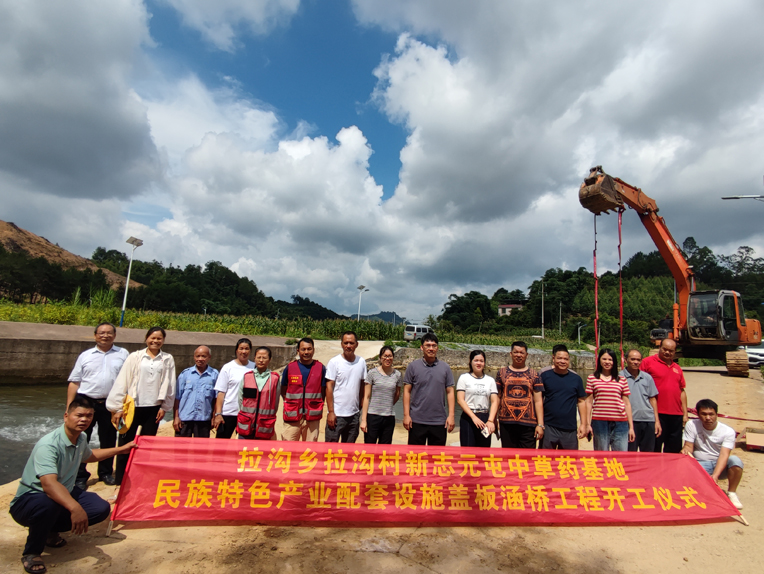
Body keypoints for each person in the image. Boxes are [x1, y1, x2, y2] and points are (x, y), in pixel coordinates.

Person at [10, 395, 135, 574]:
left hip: (64, 492)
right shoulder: (49, 445)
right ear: (66, 416)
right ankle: (32, 552)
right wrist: (75, 508)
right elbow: (48, 485)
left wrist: (121, 450)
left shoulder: (81, 437)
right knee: (48, 504)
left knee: (100, 508)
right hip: (32, 499)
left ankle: (49, 530)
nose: (84, 420)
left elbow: (89, 456)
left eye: (89, 416)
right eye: (79, 415)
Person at [106, 326, 175, 485]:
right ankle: (121, 480)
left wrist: (165, 407)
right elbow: (122, 381)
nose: (155, 341)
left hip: (154, 408)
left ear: (163, 340)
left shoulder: (167, 359)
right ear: (146, 338)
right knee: (125, 442)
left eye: (159, 338)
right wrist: (117, 408)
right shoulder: (135, 357)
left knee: (147, 445)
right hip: (132, 406)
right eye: (153, 338)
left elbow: (170, 383)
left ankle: (140, 478)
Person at [66, 321, 128, 489]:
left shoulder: (123, 354)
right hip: (86, 401)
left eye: (109, 333)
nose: (105, 336)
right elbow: (74, 382)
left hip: (111, 403)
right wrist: (69, 408)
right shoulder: (85, 355)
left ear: (114, 335)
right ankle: (80, 475)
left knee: (108, 438)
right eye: (101, 333)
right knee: (81, 438)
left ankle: (105, 472)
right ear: (95, 335)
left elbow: (129, 380)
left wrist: (123, 406)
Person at [682, 399, 744, 509]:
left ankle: (732, 493)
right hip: (699, 464)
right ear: (698, 414)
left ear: (716, 414)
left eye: (711, 414)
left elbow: (724, 455)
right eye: (704, 414)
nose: (708, 418)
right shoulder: (691, 425)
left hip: (719, 463)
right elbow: (688, 446)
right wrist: (685, 451)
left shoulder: (728, 431)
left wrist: (715, 475)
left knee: (736, 461)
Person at [403, 333, 455, 446]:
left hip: (439, 421)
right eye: (428, 345)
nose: (431, 348)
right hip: (416, 420)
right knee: (415, 455)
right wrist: (406, 415)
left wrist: (451, 416)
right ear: (422, 347)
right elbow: (406, 391)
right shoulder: (413, 367)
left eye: (434, 345)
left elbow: (450, 392)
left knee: (437, 456)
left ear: (437, 348)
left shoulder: (445, 368)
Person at [640, 338, 688, 453]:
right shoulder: (647, 362)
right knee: (654, 449)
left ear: (675, 352)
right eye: (664, 349)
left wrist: (685, 414)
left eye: (671, 351)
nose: (667, 352)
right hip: (656, 414)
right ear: (659, 348)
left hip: (676, 415)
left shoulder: (677, 368)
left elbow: (682, 391)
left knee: (673, 451)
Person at [495, 341, 544, 449]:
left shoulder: (534, 375)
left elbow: (538, 401)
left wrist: (540, 424)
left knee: (527, 456)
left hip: (528, 424)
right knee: (508, 456)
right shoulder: (501, 373)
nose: (518, 355)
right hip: (506, 423)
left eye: (521, 352)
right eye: (516, 352)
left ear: (527, 355)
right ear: (511, 354)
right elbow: (497, 398)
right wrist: (494, 419)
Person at [539, 345, 589, 450]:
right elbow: (538, 401)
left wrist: (583, 424)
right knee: (545, 458)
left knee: (569, 459)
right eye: (559, 358)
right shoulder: (545, 376)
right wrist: (540, 424)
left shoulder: (576, 379)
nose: (562, 361)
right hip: (549, 426)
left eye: (566, 359)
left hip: (569, 428)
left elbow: (581, 401)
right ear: (553, 358)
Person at [586, 348, 635, 451]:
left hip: (620, 422)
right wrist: (587, 424)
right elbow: (589, 402)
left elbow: (627, 403)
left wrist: (631, 427)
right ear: (599, 360)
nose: (607, 362)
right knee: (601, 453)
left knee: (620, 454)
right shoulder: (592, 378)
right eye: (604, 359)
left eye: (610, 359)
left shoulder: (621, 379)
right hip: (599, 421)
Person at [325, 332, 368, 443]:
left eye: (351, 343)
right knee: (330, 448)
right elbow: (329, 387)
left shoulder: (361, 362)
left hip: (354, 415)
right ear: (341, 344)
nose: (348, 346)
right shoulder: (334, 362)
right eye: (346, 343)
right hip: (336, 414)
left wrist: (360, 404)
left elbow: (363, 385)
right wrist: (331, 412)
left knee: (348, 449)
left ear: (356, 344)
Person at [281, 337, 327, 441]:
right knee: (288, 446)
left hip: (312, 417)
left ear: (313, 350)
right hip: (292, 416)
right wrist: (291, 404)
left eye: (309, 349)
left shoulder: (320, 368)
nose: (306, 352)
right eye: (303, 349)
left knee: (310, 448)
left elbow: (323, 391)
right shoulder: (290, 368)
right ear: (298, 351)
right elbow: (283, 389)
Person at [620, 349, 662, 452]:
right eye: (633, 359)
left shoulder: (647, 378)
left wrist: (657, 421)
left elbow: (652, 399)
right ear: (626, 360)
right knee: (630, 453)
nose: (636, 362)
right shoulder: (619, 377)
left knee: (648, 454)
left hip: (648, 420)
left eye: (638, 360)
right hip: (629, 421)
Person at [212, 338, 254, 439]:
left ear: (250, 351)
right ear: (236, 350)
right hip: (228, 412)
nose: (244, 351)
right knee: (222, 444)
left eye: (247, 349)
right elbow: (221, 393)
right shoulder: (228, 367)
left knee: (245, 444)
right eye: (241, 348)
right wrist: (218, 414)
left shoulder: (254, 367)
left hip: (247, 413)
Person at [360, 345, 403, 444]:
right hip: (373, 416)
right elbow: (366, 397)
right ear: (380, 357)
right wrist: (363, 420)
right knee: (369, 448)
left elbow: (397, 394)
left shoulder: (397, 375)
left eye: (390, 356)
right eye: (385, 356)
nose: (387, 358)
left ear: (393, 357)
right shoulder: (372, 373)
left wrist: (387, 404)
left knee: (385, 449)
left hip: (389, 417)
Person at [173, 346, 218, 438]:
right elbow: (177, 397)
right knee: (181, 446)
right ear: (194, 357)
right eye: (198, 356)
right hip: (184, 418)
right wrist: (176, 417)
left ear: (209, 357)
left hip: (204, 419)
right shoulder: (185, 374)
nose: (200, 359)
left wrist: (214, 417)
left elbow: (216, 399)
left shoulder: (214, 375)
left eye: (203, 356)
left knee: (201, 446)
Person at [456, 350, 498, 448]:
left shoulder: (490, 380)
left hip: (485, 417)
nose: (479, 363)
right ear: (470, 362)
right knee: (468, 450)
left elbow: (494, 401)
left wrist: (491, 421)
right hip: (468, 417)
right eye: (476, 360)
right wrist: (473, 417)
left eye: (481, 361)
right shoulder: (464, 378)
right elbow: (460, 400)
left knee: (484, 450)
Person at [236, 346, 281, 440]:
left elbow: (275, 403)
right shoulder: (247, 377)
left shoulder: (274, 379)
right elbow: (240, 399)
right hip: (246, 423)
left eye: (264, 358)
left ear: (270, 359)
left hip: (264, 425)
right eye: (258, 357)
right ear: (254, 359)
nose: (261, 360)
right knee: (243, 449)